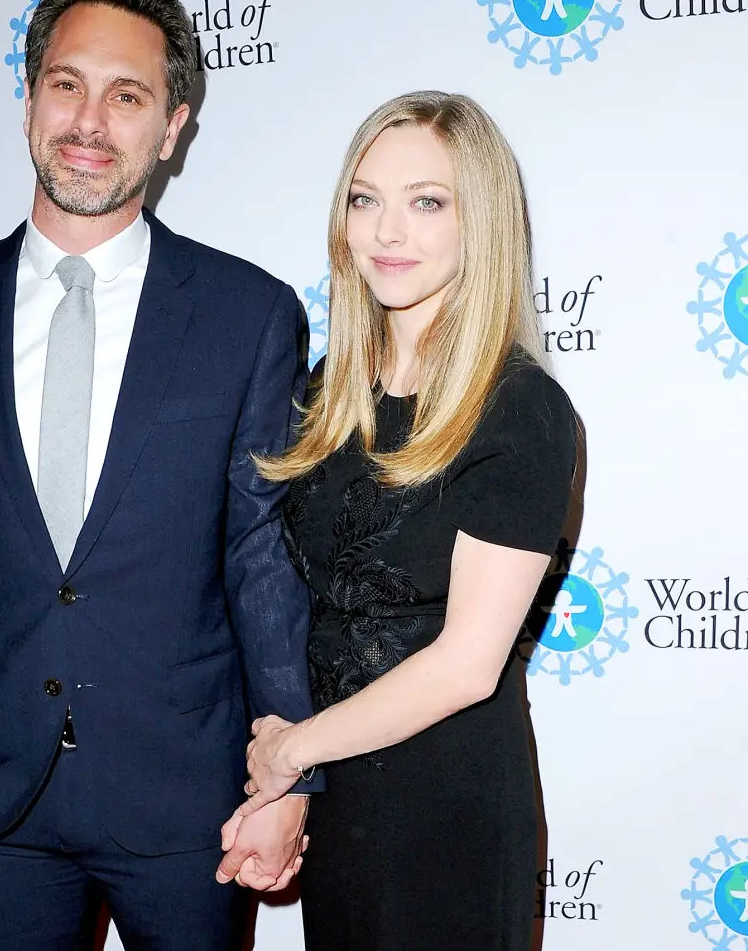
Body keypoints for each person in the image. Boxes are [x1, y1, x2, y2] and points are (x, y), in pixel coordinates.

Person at [0, 0, 319, 951]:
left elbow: (263, 564)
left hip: (186, 794)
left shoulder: (248, 315)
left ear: (171, 128)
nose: (89, 122)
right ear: (29, 98)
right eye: (67, 84)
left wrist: (286, 774)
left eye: (128, 97)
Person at [222, 91, 578, 950]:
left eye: (427, 202)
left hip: (446, 806)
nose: (388, 230)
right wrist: (288, 780)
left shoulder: (520, 408)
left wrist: (292, 751)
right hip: (339, 800)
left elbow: (464, 666)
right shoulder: (324, 396)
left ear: (479, 221)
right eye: (365, 198)